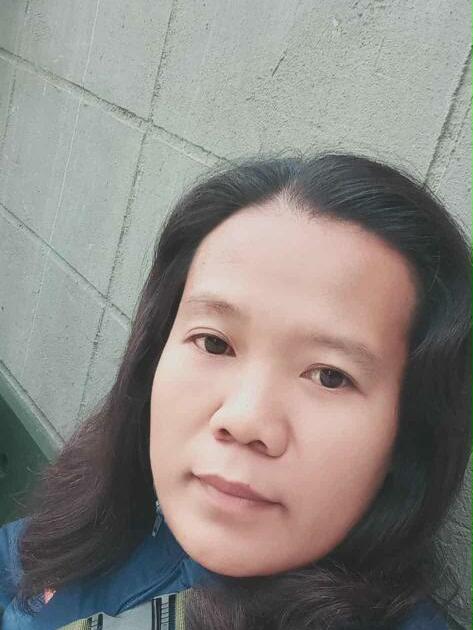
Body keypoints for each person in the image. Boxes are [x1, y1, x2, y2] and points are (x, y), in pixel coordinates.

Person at [0, 152, 470, 629]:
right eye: (214, 343)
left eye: (330, 376)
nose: (244, 420)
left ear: (409, 432)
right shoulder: (115, 506)